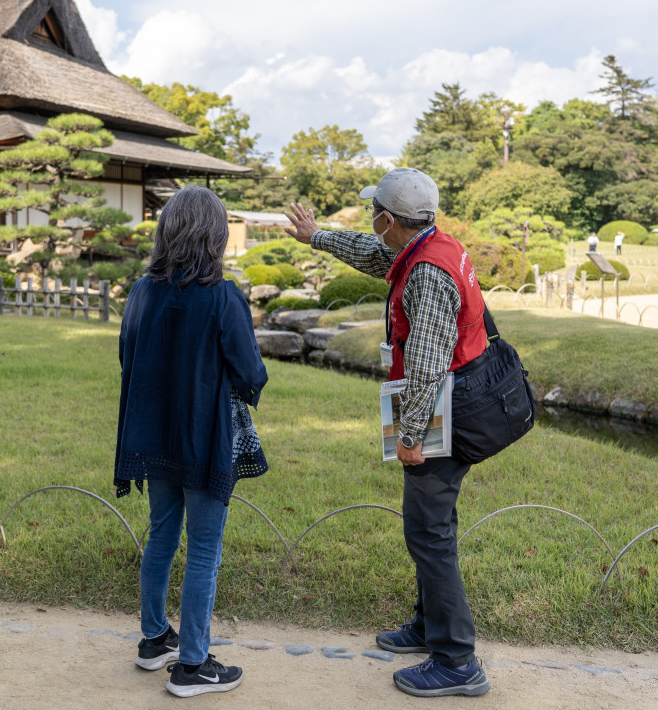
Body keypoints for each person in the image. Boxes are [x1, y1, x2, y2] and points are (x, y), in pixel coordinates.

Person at [284, 168, 491, 698]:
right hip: (459, 400)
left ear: (389, 218)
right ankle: (427, 628)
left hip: (446, 412)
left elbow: (426, 365)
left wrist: (411, 436)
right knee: (433, 522)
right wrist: (317, 237)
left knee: (428, 533)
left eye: (373, 212)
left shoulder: (425, 273)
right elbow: (372, 256)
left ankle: (456, 660)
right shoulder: (429, 246)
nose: (371, 221)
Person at [114, 185, 269, 698]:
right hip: (203, 438)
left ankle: (154, 638)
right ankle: (194, 665)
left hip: (152, 436)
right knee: (204, 548)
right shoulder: (222, 296)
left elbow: (128, 358)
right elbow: (251, 372)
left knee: (161, 535)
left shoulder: (140, 291)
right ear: (216, 236)